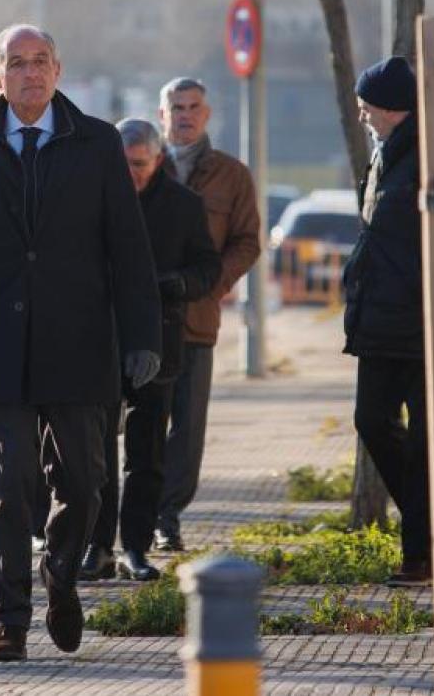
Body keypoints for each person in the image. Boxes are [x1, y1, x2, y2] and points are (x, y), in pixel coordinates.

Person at [0, 24, 161, 662]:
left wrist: (142, 337)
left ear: (57, 70)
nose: (29, 73)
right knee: (9, 481)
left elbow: (129, 250)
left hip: (78, 344)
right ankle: (11, 618)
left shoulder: (97, 143)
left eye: (40, 62)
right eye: (16, 64)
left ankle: (63, 576)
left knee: (84, 481)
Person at [342, 55, 434, 587]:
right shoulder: (385, 155)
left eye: (366, 107)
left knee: (425, 440)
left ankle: (421, 556)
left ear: (392, 108)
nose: (362, 117)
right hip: (380, 321)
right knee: (371, 420)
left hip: (430, 320)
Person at [80, 119, 220, 583]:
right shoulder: (90, 198)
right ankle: (97, 546)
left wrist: (179, 284)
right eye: (123, 165)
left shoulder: (183, 206)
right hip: (99, 341)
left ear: (158, 161)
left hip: (158, 340)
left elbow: (207, 268)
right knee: (95, 453)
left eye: (139, 165)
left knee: (147, 454)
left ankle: (136, 547)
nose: (131, 174)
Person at [154, 77, 261, 552]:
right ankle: (125, 512)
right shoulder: (140, 166)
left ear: (207, 113)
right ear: (162, 114)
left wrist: (212, 285)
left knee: (187, 425)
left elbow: (247, 241)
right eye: (176, 106)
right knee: (136, 422)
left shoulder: (231, 175)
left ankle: (167, 516)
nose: (185, 114)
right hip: (140, 320)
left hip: (196, 320)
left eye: (194, 106)